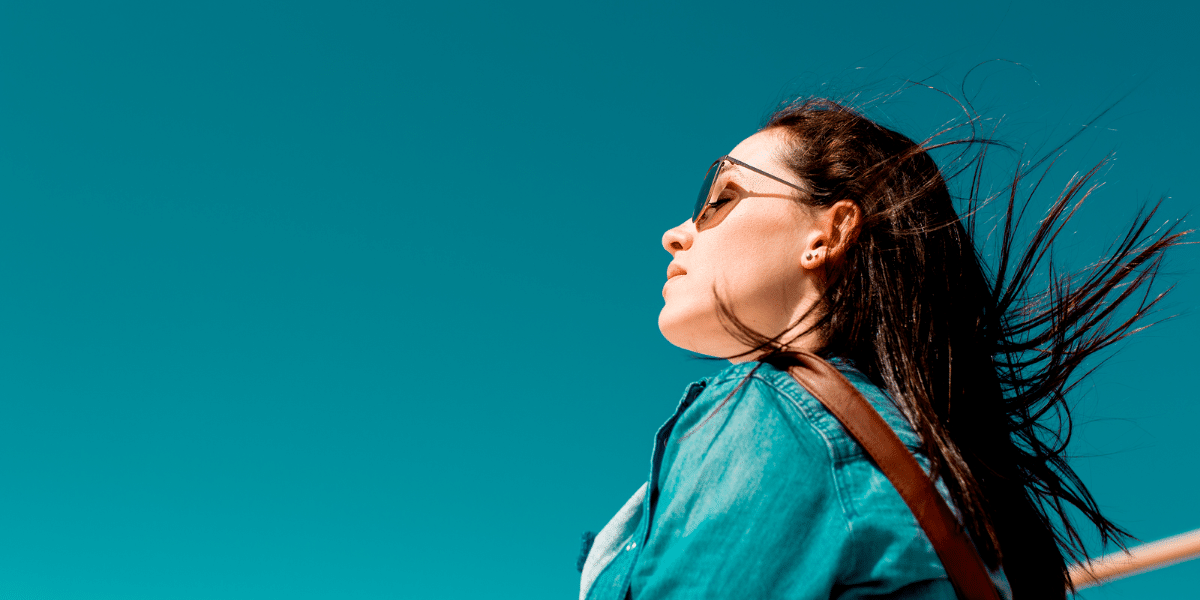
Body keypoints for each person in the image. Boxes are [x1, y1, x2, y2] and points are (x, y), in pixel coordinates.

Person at [577, 98, 1186, 600]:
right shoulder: (941, 475)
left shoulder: (777, 419)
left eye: (719, 201)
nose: (675, 234)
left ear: (829, 233)